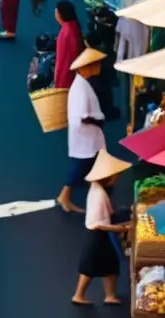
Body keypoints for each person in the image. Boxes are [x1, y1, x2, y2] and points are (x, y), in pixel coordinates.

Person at [72, 149, 131, 305]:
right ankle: (79, 295)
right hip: (97, 235)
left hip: (99, 233)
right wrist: (124, 229)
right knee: (89, 266)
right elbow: (100, 224)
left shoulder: (97, 189)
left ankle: (109, 295)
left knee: (110, 265)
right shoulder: (99, 195)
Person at [57, 47, 107, 214]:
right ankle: (65, 196)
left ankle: (95, 194)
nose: (99, 66)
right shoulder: (80, 87)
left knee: (88, 164)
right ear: (88, 66)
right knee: (81, 166)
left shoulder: (83, 84)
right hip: (86, 136)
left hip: (88, 136)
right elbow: (82, 117)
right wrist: (98, 120)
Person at [53, 1, 83, 90]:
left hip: (66, 77)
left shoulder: (66, 31)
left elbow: (61, 59)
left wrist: (57, 79)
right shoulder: (73, 27)